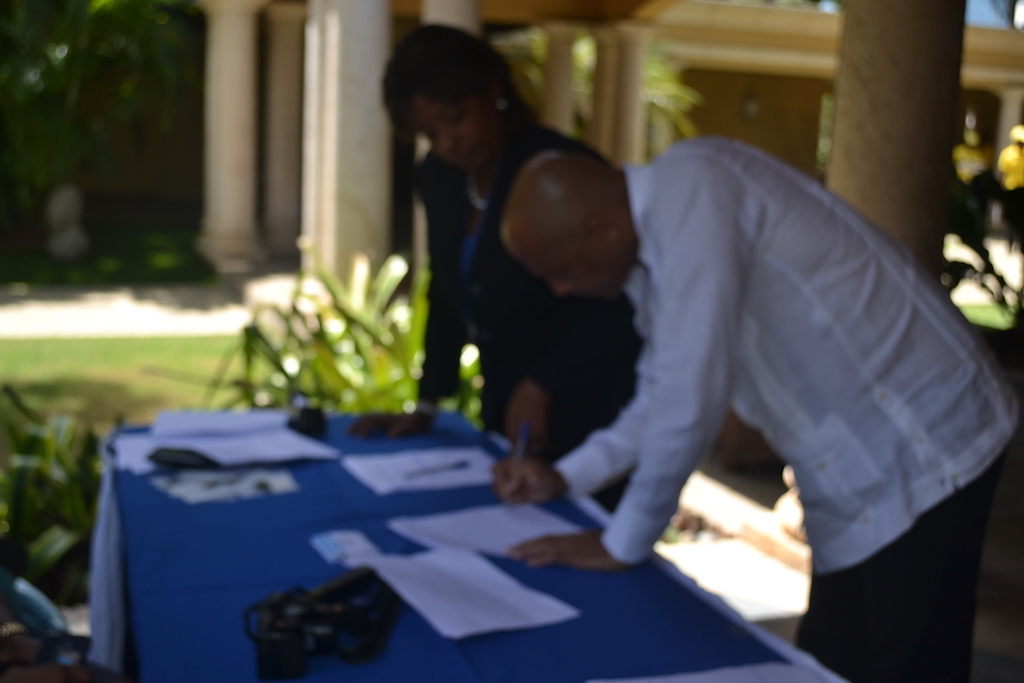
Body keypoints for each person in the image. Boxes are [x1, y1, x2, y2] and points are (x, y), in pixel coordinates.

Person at [493, 137, 1018, 683]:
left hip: (927, 439)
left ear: (600, 228)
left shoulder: (692, 186)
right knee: (828, 661)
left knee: (907, 665)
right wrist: (565, 476)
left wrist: (621, 542)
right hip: (857, 469)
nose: (561, 289)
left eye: (562, 270)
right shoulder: (656, 250)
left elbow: (690, 395)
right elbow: (660, 393)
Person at [349, 25, 641, 508]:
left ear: (492, 90)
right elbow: (447, 288)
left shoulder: (560, 169)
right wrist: (428, 403)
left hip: (593, 410)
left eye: (455, 118)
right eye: (428, 133)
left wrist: (543, 383)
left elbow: (616, 305)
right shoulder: (439, 177)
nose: (447, 143)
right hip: (508, 410)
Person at [997, 124, 1024, 190]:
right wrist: (999, 189)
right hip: (1010, 188)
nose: (1021, 144)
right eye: (1019, 142)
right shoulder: (1007, 153)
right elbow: (1002, 172)